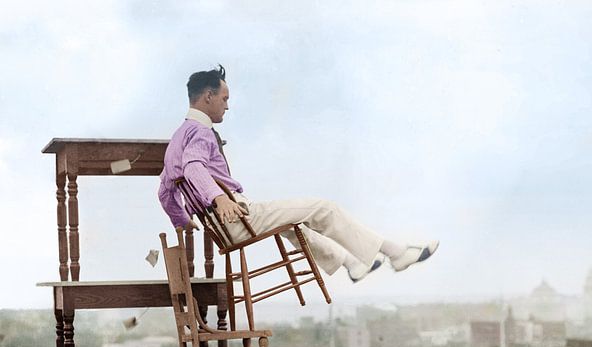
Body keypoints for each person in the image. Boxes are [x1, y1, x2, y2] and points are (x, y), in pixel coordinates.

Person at [157, 65, 437, 282]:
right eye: (224, 98)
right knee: (324, 208)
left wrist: (182, 220)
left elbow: (165, 191)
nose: (227, 106)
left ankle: (351, 264)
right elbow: (194, 167)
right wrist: (220, 199)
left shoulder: (176, 140)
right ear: (208, 97)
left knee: (296, 221)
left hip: (224, 226)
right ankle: (395, 253)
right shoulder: (201, 133)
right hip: (238, 217)